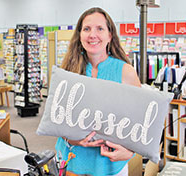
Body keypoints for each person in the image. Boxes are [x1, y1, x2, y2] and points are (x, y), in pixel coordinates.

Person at [55, 7, 141, 176]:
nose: (92, 35)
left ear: (110, 35)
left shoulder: (126, 72)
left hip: (109, 163)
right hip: (72, 159)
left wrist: (130, 152)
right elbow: (57, 120)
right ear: (79, 35)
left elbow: (140, 123)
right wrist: (70, 138)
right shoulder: (67, 71)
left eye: (100, 29)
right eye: (86, 29)